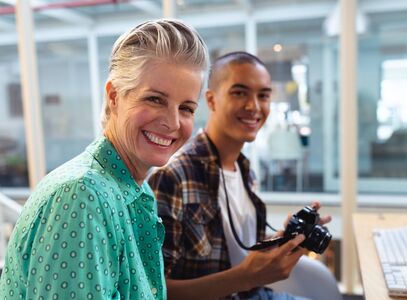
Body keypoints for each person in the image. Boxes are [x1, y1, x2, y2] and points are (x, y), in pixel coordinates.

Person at [0, 19, 209, 300]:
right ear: (114, 96)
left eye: (186, 108)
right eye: (155, 100)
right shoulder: (82, 195)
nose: (173, 122)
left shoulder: (134, 190)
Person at [149, 52, 333, 300]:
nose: (254, 106)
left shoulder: (245, 170)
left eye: (263, 95)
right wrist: (246, 277)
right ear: (211, 100)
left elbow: (238, 252)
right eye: (239, 93)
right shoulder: (173, 175)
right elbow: (155, 291)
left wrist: (284, 237)